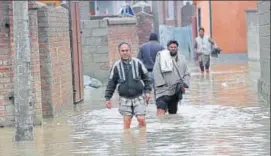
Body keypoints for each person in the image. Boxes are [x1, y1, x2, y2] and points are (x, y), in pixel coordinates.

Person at [104, 42, 152, 129]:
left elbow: (147, 79)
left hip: (139, 97)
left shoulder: (138, 63)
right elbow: (111, 83)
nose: (125, 52)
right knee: (127, 121)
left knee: (141, 119)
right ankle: (128, 140)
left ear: (130, 51)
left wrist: (148, 91)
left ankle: (142, 139)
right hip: (124, 98)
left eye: (126, 50)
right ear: (119, 52)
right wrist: (107, 98)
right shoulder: (116, 66)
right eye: (122, 51)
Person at [153, 40, 190, 116]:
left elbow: (187, 73)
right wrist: (161, 85)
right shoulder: (161, 57)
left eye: (175, 47)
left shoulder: (182, 59)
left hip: (175, 91)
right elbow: (156, 71)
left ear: (177, 48)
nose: (173, 48)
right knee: (160, 112)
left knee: (173, 114)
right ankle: (160, 127)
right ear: (168, 48)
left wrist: (184, 84)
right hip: (162, 91)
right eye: (171, 47)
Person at [137, 32, 164, 99]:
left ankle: (145, 103)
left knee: (146, 90)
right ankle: (158, 107)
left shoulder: (143, 47)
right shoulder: (161, 47)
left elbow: (138, 60)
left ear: (149, 38)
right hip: (157, 73)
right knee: (158, 92)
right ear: (157, 38)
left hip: (145, 73)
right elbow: (164, 61)